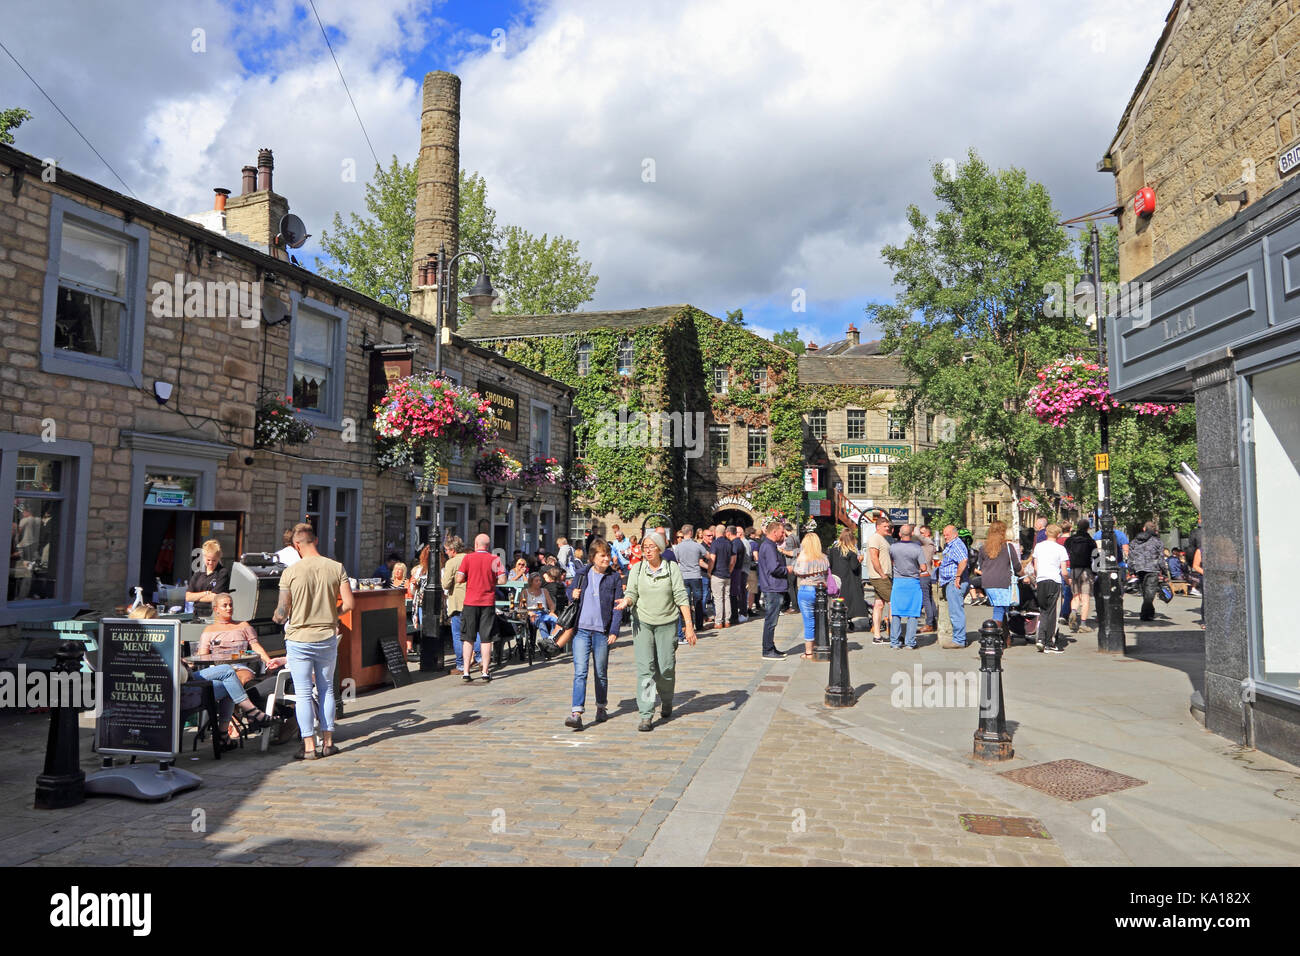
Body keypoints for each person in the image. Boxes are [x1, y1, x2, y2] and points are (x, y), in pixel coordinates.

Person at [273, 522, 353, 759]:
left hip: (299, 638)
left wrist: (277, 617)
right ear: (315, 540)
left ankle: (309, 746)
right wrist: (332, 613)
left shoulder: (290, 572)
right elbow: (349, 604)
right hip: (326, 636)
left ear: (296, 545)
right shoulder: (336, 567)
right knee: (327, 690)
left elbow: (281, 612)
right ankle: (328, 742)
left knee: (304, 693)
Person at [615, 531, 695, 731]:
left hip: (667, 623)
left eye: (651, 547)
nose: (647, 551)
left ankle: (667, 701)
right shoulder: (638, 569)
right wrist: (626, 601)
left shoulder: (671, 568)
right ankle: (646, 714)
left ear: (660, 549)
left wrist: (689, 625)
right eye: (644, 547)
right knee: (646, 670)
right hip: (642, 623)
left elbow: (681, 596)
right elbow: (631, 592)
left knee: (666, 668)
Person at [198, 593, 281, 744]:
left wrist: (269, 662)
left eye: (230, 604)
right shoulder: (209, 630)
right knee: (227, 680)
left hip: (241, 666)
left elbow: (255, 647)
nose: (229, 608)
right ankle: (244, 718)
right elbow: (202, 656)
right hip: (219, 668)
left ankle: (231, 724)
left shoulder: (243, 626)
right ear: (216, 609)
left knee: (237, 677)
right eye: (225, 605)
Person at [560, 538, 623, 731]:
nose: (607, 559)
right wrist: (573, 594)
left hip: (601, 632)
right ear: (593, 557)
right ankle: (576, 713)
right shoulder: (582, 573)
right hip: (581, 631)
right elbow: (570, 593)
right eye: (603, 555)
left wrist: (614, 630)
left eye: (608, 554)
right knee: (580, 672)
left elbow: (618, 607)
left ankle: (601, 706)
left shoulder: (614, 577)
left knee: (600, 672)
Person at [454, 534, 506, 682]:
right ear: (488, 546)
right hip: (487, 602)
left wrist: (468, 578)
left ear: (476, 544)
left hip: (470, 602)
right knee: (486, 639)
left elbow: (458, 578)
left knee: (468, 638)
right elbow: (503, 579)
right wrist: (490, 581)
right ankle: (484, 671)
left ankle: (466, 671)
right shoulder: (495, 559)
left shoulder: (468, 558)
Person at [976, 521, 1027, 647]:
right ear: (1003, 532)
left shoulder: (983, 548)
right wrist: (1025, 576)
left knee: (1002, 608)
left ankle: (1006, 638)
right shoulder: (1008, 548)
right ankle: (993, 638)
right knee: (999, 610)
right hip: (1003, 581)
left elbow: (981, 566)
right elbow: (1016, 566)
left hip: (988, 582)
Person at [1025, 523, 1069, 653]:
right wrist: (1068, 581)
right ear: (1058, 535)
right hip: (1054, 580)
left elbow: (1036, 567)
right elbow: (1064, 571)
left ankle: (1040, 639)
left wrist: (1038, 578)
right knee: (1051, 612)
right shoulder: (1060, 549)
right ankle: (1049, 642)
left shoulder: (1039, 547)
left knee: (1043, 610)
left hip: (1041, 580)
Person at [441, 536, 478, 675]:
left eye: (446, 550)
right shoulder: (471, 558)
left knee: (458, 634)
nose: (446, 553)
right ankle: (479, 658)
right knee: (476, 631)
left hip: (458, 602)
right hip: (473, 600)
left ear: (452, 550)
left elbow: (445, 584)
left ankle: (461, 664)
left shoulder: (452, 562)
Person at [792, 533, 831, 660]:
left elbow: (797, 571)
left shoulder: (803, 558)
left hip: (805, 590)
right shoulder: (824, 558)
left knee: (809, 622)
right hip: (821, 591)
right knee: (821, 619)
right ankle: (820, 645)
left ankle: (809, 652)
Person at [757, 518, 790, 660]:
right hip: (773, 587)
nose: (784, 535)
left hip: (773, 586)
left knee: (772, 619)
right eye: (782, 532)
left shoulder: (769, 545)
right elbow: (774, 568)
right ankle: (768, 649)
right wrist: (788, 569)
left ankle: (770, 646)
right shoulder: (769, 546)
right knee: (771, 619)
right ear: (775, 532)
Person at [888, 524, 924, 650]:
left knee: (896, 613)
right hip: (913, 582)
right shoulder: (917, 548)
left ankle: (894, 642)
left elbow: (891, 561)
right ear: (911, 534)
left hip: (898, 582)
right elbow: (923, 567)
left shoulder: (893, 547)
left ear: (899, 534)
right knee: (913, 613)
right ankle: (910, 642)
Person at [673, 523, 711, 635]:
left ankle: (687, 625)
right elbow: (708, 555)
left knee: (685, 602)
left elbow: (676, 560)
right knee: (698, 601)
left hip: (684, 576)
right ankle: (699, 625)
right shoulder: (697, 546)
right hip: (695, 575)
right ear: (691, 532)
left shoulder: (678, 547)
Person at [936, 525, 970, 648]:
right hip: (949, 581)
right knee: (954, 611)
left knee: (956, 612)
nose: (945, 536)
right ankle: (958, 638)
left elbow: (963, 560)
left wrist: (957, 576)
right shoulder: (952, 544)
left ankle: (959, 640)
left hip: (954, 582)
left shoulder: (956, 544)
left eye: (947, 534)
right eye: (944, 534)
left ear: (955, 534)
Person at [827, 529, 868, 629]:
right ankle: (847, 620)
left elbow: (830, 564)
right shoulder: (851, 552)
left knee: (837, 600)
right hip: (849, 581)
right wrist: (860, 560)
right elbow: (854, 567)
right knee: (848, 601)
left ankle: (837, 619)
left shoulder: (833, 550)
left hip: (836, 580)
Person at [1129, 520, 1168, 623]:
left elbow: (1131, 557)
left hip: (1139, 569)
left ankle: (1149, 613)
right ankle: (1145, 614)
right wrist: (1164, 572)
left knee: (1145, 592)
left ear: (1144, 529)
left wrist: (1131, 570)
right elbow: (1161, 559)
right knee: (1150, 593)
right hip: (1152, 569)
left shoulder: (1134, 541)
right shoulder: (1157, 541)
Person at [1064, 520, 1098, 632]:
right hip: (1086, 570)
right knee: (1085, 597)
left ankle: (1073, 612)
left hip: (1073, 570)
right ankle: (1083, 624)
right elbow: (1096, 557)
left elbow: (1066, 552)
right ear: (1088, 528)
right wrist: (1096, 572)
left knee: (1075, 596)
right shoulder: (1090, 541)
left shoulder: (1070, 540)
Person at [866, 515, 894, 645]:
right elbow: (873, 557)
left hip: (882, 576)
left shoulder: (882, 539)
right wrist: (882, 573)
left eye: (888, 526)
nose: (887, 528)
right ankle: (894, 633)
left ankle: (877, 636)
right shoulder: (875, 538)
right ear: (878, 527)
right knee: (893, 602)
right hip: (880, 576)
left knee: (878, 604)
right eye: (885, 526)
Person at [186, 539, 230, 617]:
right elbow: (188, 597)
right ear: (203, 557)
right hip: (197, 614)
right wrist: (205, 593)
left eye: (214, 560)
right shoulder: (198, 573)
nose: (210, 563)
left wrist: (196, 597)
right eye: (208, 560)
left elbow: (214, 597)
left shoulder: (222, 573)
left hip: (214, 614)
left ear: (218, 558)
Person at [520, 572, 559, 647]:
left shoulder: (544, 591)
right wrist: (529, 612)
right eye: (536, 581)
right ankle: (547, 645)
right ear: (531, 582)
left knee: (555, 620)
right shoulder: (525, 592)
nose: (539, 582)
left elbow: (551, 604)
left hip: (544, 612)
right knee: (541, 623)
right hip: (533, 614)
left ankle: (551, 641)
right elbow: (521, 607)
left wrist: (552, 611)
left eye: (540, 580)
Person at [708, 523, 735, 629]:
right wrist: (729, 570)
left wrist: (710, 571)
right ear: (724, 532)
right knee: (726, 597)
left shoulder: (715, 544)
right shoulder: (729, 543)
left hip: (717, 574)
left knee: (718, 598)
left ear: (715, 532)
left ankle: (718, 622)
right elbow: (733, 560)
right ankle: (727, 620)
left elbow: (712, 559)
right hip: (727, 574)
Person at [917, 525, 938, 633]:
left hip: (924, 574)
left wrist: (913, 526)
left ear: (927, 534)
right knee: (929, 599)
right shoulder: (929, 543)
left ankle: (929, 623)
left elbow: (915, 534)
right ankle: (934, 622)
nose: (920, 535)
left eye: (922, 533)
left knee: (926, 599)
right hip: (928, 574)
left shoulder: (927, 542)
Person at [728, 526, 749, 625]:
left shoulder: (736, 543)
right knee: (737, 593)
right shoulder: (739, 542)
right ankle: (737, 614)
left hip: (736, 570)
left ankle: (735, 615)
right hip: (738, 570)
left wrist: (729, 570)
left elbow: (734, 558)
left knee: (734, 593)